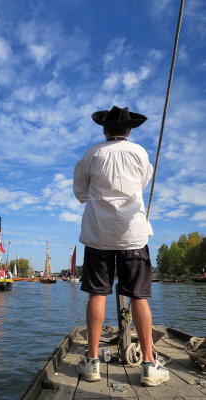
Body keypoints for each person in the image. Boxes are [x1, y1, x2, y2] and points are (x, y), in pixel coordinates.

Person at [73, 105, 169, 386]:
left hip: (98, 234)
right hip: (133, 236)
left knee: (97, 294)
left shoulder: (92, 153)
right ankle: (150, 365)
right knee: (139, 297)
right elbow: (142, 183)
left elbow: (80, 192)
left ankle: (91, 362)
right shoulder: (139, 153)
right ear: (129, 131)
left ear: (104, 129)